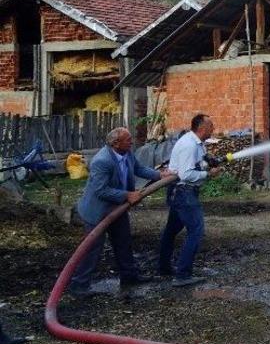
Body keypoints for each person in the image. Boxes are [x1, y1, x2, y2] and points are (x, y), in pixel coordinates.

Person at [70, 127, 163, 295]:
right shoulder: (102, 161)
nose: (131, 142)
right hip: (97, 211)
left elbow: (139, 169)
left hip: (117, 208)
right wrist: (127, 195)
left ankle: (129, 277)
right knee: (92, 248)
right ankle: (79, 285)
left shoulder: (127, 153)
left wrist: (160, 175)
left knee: (123, 242)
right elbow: (101, 190)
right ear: (115, 143)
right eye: (128, 140)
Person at [158, 114, 222, 287]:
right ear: (201, 128)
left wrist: (209, 162)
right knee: (196, 230)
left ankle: (163, 267)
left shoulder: (197, 144)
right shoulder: (189, 145)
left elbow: (197, 164)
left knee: (171, 230)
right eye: (211, 126)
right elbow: (186, 174)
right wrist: (208, 174)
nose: (213, 129)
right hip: (184, 192)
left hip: (180, 192)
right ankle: (183, 275)